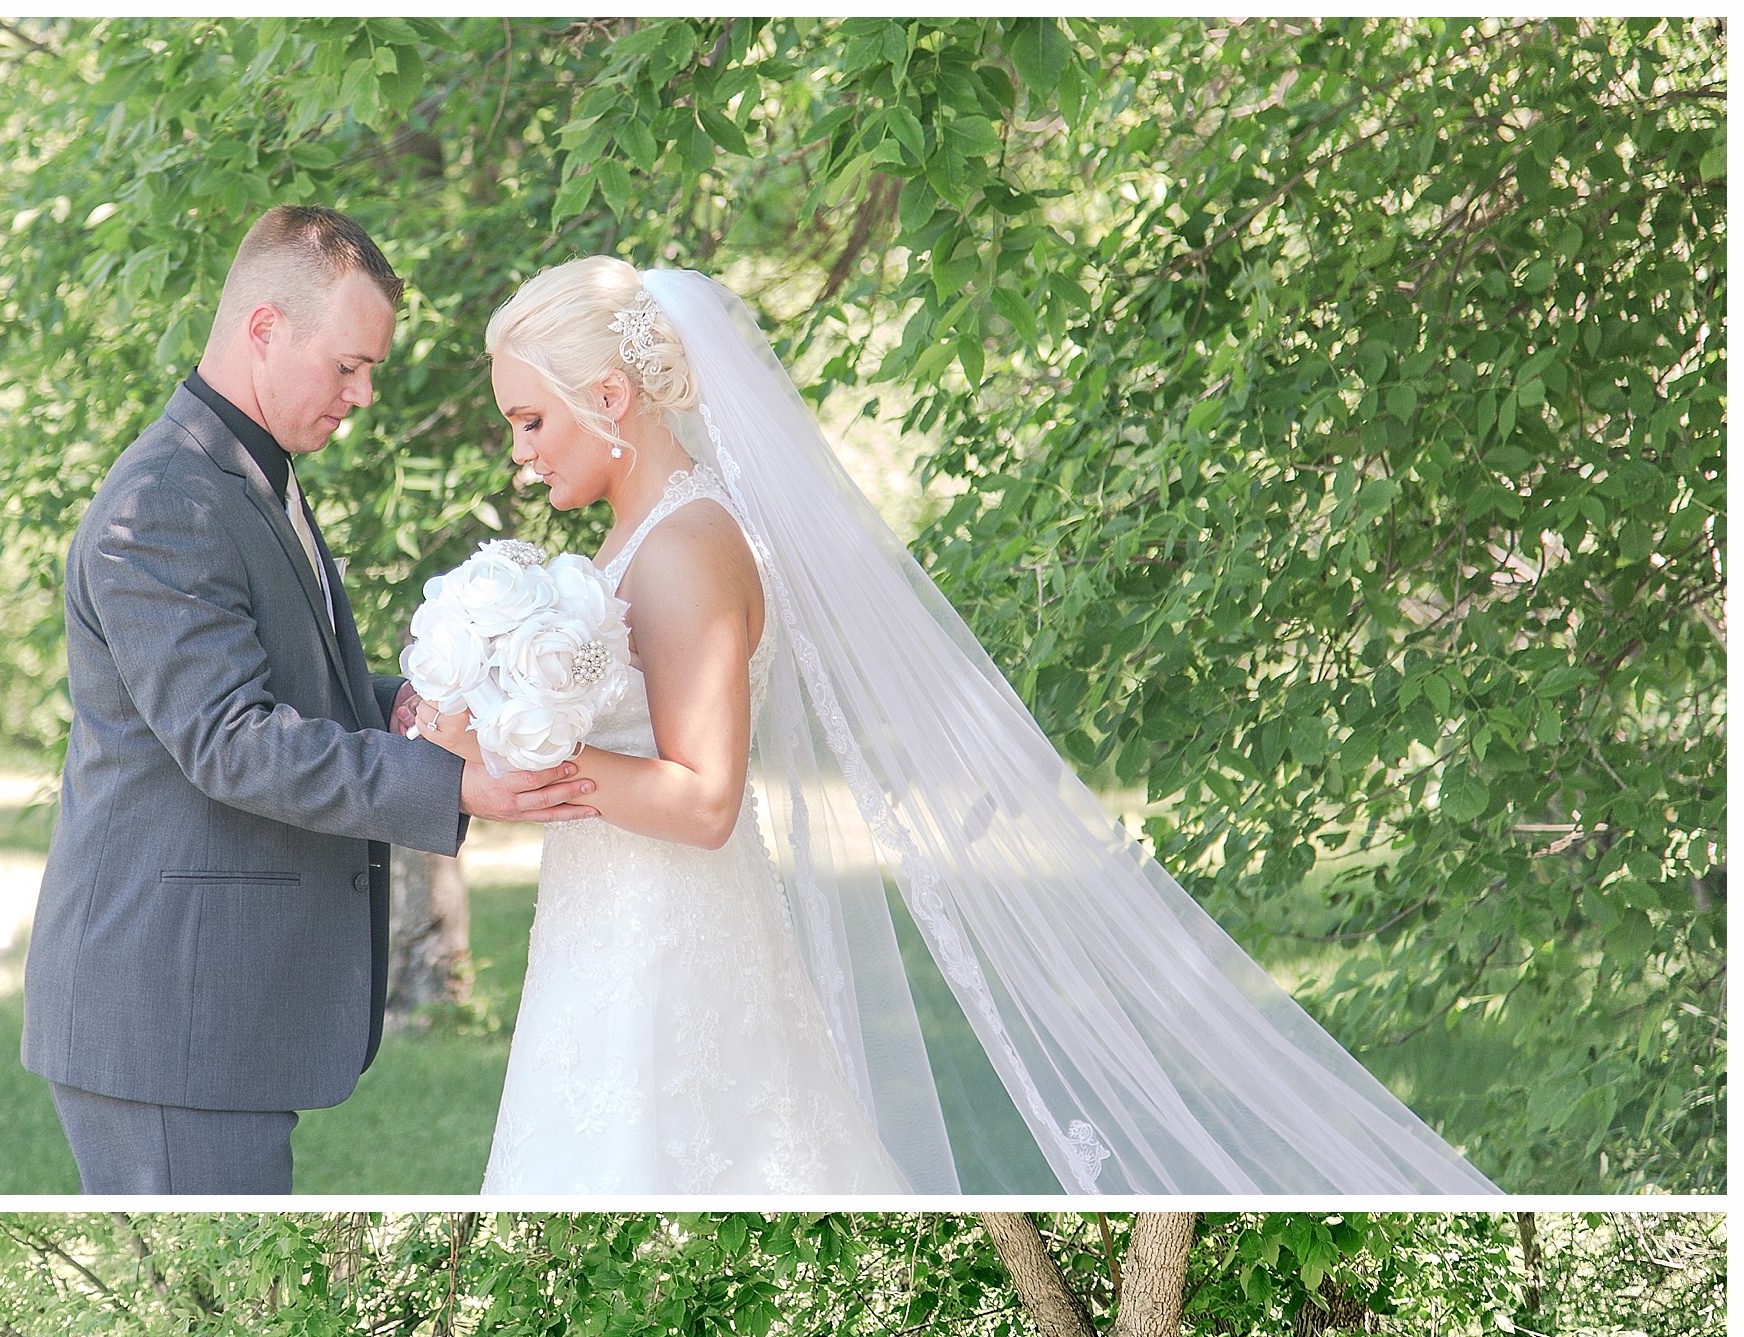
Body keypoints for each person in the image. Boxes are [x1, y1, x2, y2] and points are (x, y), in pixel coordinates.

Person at [415, 257, 1501, 1199]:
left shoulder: (687, 546)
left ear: (609, 394)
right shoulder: (639, 539)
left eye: (531, 419)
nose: (520, 451)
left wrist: (533, 751)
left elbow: (705, 801)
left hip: (666, 933)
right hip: (607, 921)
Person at [22, 205, 595, 1197]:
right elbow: (231, 741)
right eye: (348, 366)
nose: (363, 394)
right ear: (263, 329)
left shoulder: (246, 472)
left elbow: (279, 686)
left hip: (206, 1013)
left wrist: (402, 706)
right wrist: (453, 784)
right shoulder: (165, 503)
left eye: (369, 370)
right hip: (171, 1020)